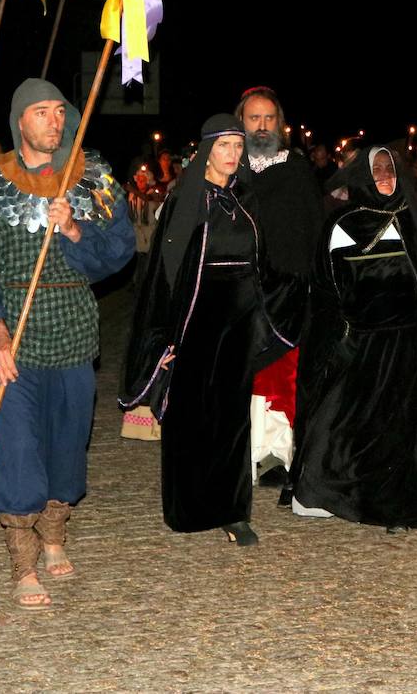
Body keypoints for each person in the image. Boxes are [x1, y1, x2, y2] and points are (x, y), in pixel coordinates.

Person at [0, 78, 134, 609]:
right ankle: (23, 559)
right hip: (16, 332)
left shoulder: (91, 176)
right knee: (20, 444)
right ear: (19, 122)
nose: (55, 121)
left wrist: (76, 231)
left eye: (60, 111)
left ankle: (55, 533)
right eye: (42, 112)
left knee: (67, 439)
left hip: (73, 327)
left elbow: (119, 253)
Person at [121, 114, 302, 545]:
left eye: (238, 147)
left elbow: (263, 265)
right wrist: (165, 335)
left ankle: (232, 510)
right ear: (206, 151)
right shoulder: (187, 201)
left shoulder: (246, 200)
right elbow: (165, 276)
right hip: (195, 319)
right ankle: (188, 506)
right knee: (190, 415)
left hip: (238, 322)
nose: (233, 155)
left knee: (231, 416)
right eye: (224, 146)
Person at [289, 147, 417, 533]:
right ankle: (325, 492)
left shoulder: (414, 221)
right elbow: (326, 290)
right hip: (362, 342)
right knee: (345, 420)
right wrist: (338, 337)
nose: (384, 175)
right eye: (376, 169)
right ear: (363, 177)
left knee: (400, 428)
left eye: (389, 168)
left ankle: (395, 507)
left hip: (408, 343)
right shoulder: (343, 226)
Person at [233, 86, 324, 502]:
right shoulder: (229, 171)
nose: (262, 126)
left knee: (283, 374)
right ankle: (244, 452)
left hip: (287, 293)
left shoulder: (297, 170)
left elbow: (312, 231)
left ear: (280, 124)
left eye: (269, 118)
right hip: (241, 291)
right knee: (243, 374)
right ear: (241, 123)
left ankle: (278, 455)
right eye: (254, 119)